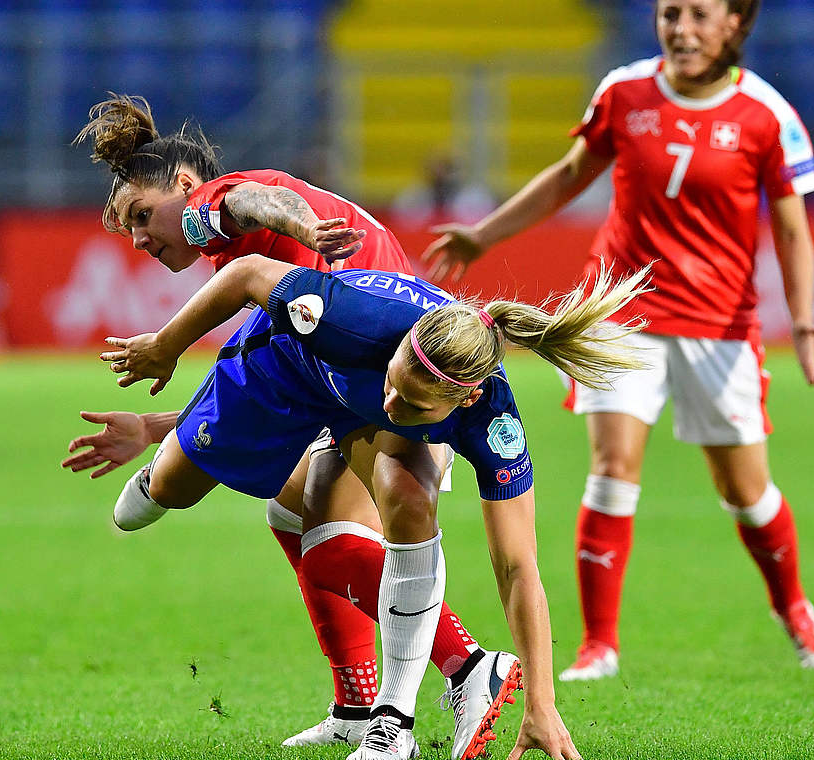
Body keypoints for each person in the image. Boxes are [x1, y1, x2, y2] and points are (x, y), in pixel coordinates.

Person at [64, 94, 519, 760]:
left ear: (185, 186)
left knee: (350, 535)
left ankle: (467, 671)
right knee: (289, 514)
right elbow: (253, 363)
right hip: (341, 372)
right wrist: (163, 424)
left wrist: (167, 345)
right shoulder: (272, 285)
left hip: (379, 373)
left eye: (141, 216)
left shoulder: (209, 209)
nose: (138, 239)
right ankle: (360, 707)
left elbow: (253, 205)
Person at [422, 0, 814, 681]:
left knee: (746, 491)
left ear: (735, 24)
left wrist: (802, 322)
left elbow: (793, 228)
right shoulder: (623, 92)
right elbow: (567, 177)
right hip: (620, 311)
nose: (680, 28)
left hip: (719, 323)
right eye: (669, 13)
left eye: (699, 14)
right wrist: (483, 233)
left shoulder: (767, 116)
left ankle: (792, 606)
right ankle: (599, 644)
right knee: (613, 466)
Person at [103, 251, 648, 760]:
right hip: (292, 369)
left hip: (362, 418)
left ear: (467, 399)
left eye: (413, 403)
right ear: (403, 345)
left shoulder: (492, 426)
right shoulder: (346, 319)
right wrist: (165, 346)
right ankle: (163, 468)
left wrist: (543, 704)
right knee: (167, 495)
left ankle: (391, 723)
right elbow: (246, 272)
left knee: (405, 503)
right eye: (394, 383)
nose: (393, 402)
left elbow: (517, 566)